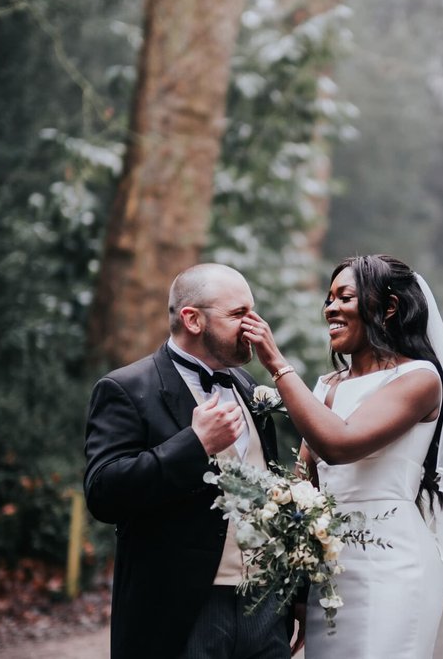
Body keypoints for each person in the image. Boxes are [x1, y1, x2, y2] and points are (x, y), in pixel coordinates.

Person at [241, 254, 443, 658]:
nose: (331, 308)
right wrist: (299, 585)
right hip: (331, 573)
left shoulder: (419, 380)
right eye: (329, 298)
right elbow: (305, 485)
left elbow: (340, 444)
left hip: (393, 565)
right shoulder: (325, 387)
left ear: (388, 307)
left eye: (345, 297)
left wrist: (276, 364)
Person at [84, 263, 299, 659]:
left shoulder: (249, 387)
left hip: (265, 605)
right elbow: (103, 493)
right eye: (239, 314)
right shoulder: (126, 388)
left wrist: (292, 595)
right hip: (181, 610)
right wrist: (194, 444)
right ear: (193, 319)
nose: (256, 326)